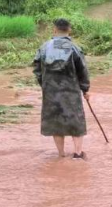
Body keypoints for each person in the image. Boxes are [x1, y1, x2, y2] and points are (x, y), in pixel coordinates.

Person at [32, 17, 91, 159]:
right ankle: (77, 153)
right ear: (69, 30)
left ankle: (61, 154)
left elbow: (37, 69)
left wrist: (45, 85)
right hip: (71, 91)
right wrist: (85, 89)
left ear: (54, 30)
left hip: (51, 92)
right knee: (76, 120)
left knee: (55, 121)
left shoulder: (44, 47)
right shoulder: (74, 48)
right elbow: (82, 70)